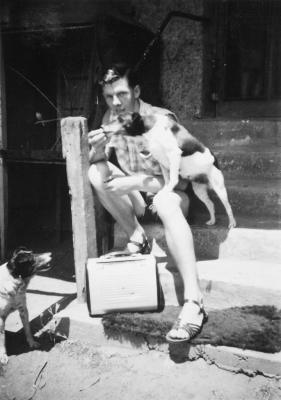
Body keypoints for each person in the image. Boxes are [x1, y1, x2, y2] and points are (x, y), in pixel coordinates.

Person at [88, 63, 207, 343]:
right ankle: (137, 235)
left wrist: (135, 183)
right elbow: (99, 161)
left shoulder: (162, 119)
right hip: (141, 195)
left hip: (172, 192)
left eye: (122, 94)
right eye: (109, 97)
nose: (115, 103)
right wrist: (95, 148)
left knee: (166, 202)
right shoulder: (111, 117)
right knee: (95, 173)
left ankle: (194, 301)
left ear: (136, 91)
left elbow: (183, 180)